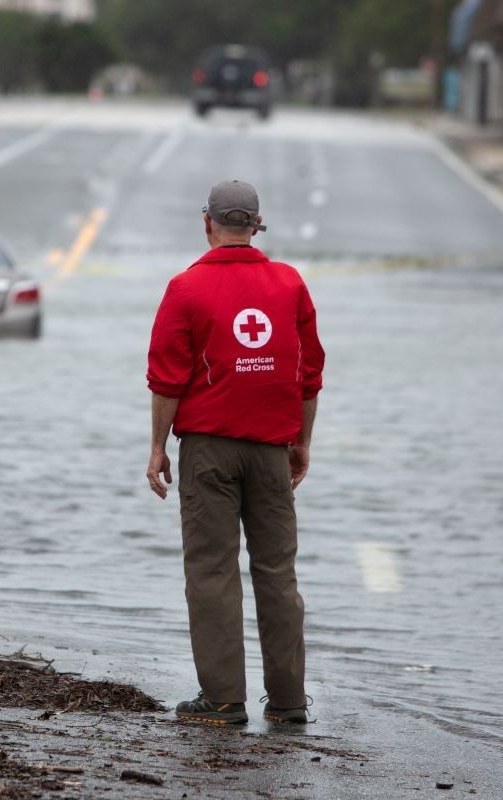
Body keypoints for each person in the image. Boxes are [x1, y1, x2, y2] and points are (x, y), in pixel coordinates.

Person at [146, 180, 325, 725]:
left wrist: (157, 446)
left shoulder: (186, 288)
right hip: (271, 449)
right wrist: (301, 443)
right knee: (276, 571)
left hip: (209, 452)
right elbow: (309, 373)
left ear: (208, 223)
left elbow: (167, 377)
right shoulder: (289, 283)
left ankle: (224, 700)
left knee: (212, 570)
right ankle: (289, 702)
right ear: (256, 225)